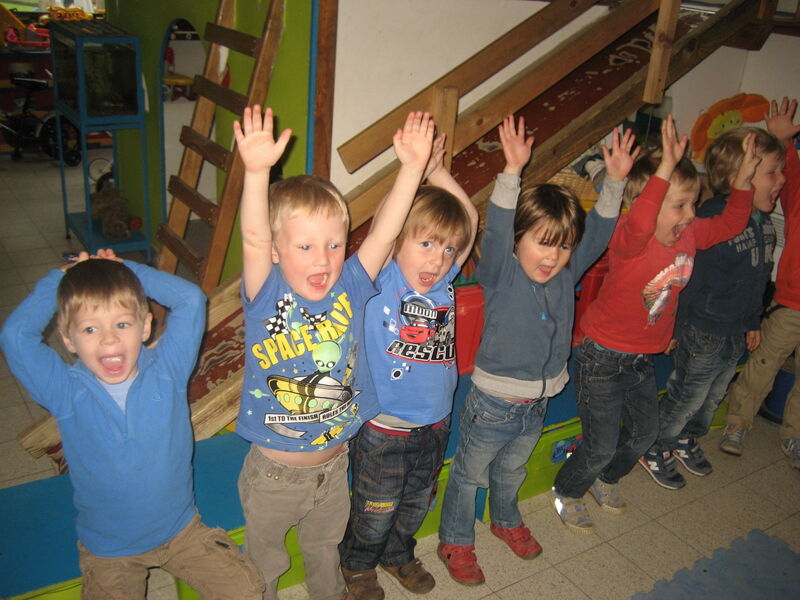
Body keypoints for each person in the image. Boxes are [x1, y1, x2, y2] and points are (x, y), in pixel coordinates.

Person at [233, 106, 433, 600]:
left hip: (334, 463)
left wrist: (411, 168)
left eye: (334, 244)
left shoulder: (351, 284)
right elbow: (254, 235)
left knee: (325, 551)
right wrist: (256, 172)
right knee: (264, 562)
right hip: (274, 474)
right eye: (304, 247)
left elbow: (384, 233)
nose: (322, 259)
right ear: (277, 251)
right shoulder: (267, 293)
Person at [437, 115, 638, 585]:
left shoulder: (566, 273)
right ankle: (455, 539)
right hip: (493, 403)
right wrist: (511, 171)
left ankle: (505, 519)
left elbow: (598, 233)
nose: (553, 257)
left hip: (538, 401)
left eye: (563, 247)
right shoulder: (500, 271)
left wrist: (615, 182)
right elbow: (496, 229)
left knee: (512, 470)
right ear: (517, 240)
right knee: (469, 475)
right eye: (543, 243)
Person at [0, 250, 264, 600]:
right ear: (68, 339)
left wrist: (126, 269)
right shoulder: (64, 391)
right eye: (90, 329)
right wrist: (62, 278)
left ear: (145, 327)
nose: (109, 339)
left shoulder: (168, 369)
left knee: (246, 590)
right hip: (110, 548)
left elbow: (190, 299)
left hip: (180, 531)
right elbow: (16, 335)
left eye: (122, 324)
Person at [551, 116, 758, 535]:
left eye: (693, 204)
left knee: (644, 434)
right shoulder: (630, 237)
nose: (690, 215)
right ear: (647, 203)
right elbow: (644, 218)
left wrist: (743, 183)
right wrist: (663, 169)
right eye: (679, 205)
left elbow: (731, 224)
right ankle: (568, 490)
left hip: (640, 359)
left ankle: (606, 479)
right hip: (602, 356)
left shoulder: (690, 235)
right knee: (601, 443)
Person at [337, 134, 479, 600]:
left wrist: (438, 171)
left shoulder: (444, 281)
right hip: (383, 430)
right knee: (375, 509)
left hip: (434, 425)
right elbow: (385, 227)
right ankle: (358, 563)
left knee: (416, 503)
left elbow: (469, 220)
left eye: (448, 250)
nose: (437, 259)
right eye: (426, 244)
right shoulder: (382, 278)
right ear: (400, 241)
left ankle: (399, 553)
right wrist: (412, 170)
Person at [639, 125, 785, 490]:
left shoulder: (765, 224)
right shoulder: (712, 219)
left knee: (713, 396)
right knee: (687, 394)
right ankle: (657, 445)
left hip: (734, 330)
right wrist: (674, 328)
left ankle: (685, 438)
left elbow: (758, 278)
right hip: (703, 328)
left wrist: (753, 321)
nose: (781, 179)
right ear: (741, 176)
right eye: (772, 171)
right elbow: (687, 278)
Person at [719, 97, 800, 470]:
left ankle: (794, 434)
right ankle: (737, 423)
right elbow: (787, 174)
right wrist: (782, 138)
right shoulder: (796, 197)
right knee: (764, 363)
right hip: (791, 303)